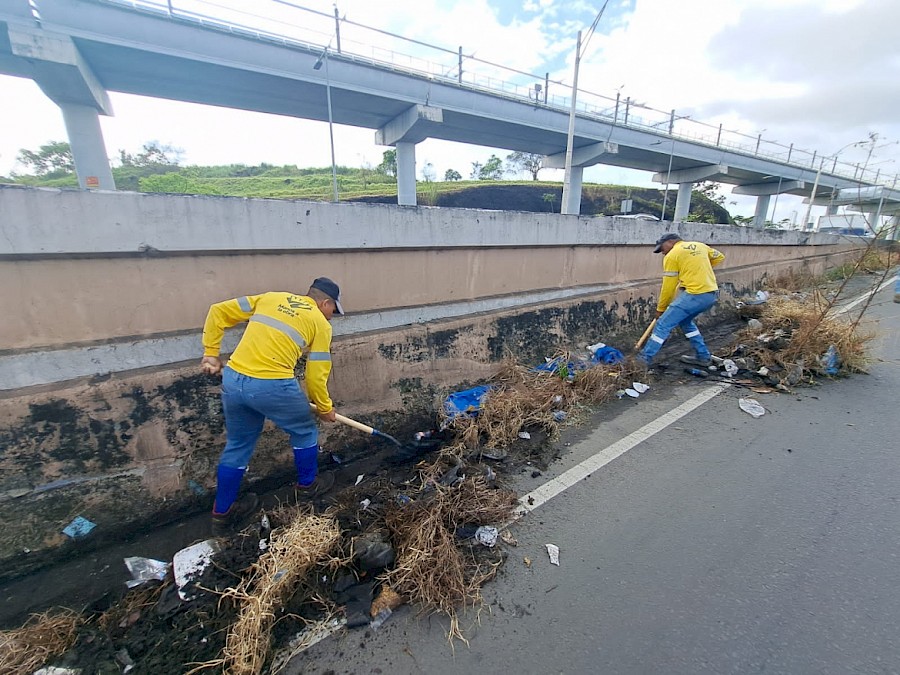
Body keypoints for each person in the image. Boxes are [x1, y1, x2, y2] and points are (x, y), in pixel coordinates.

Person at [200, 277, 344, 533]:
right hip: (272, 384)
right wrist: (324, 408)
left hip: (234, 380)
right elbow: (315, 374)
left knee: (238, 444)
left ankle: (222, 513)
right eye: (333, 309)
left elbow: (218, 311)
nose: (332, 316)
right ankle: (308, 487)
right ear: (325, 303)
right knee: (305, 431)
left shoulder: (270, 298)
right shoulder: (320, 324)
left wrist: (211, 352)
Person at [640, 233, 725, 367]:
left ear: (670, 242)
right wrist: (695, 269)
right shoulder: (700, 246)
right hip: (710, 294)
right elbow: (719, 257)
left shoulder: (672, 255)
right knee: (685, 322)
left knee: (663, 324)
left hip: (695, 294)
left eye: (662, 248)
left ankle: (643, 360)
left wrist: (660, 309)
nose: (662, 252)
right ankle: (703, 356)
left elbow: (668, 288)